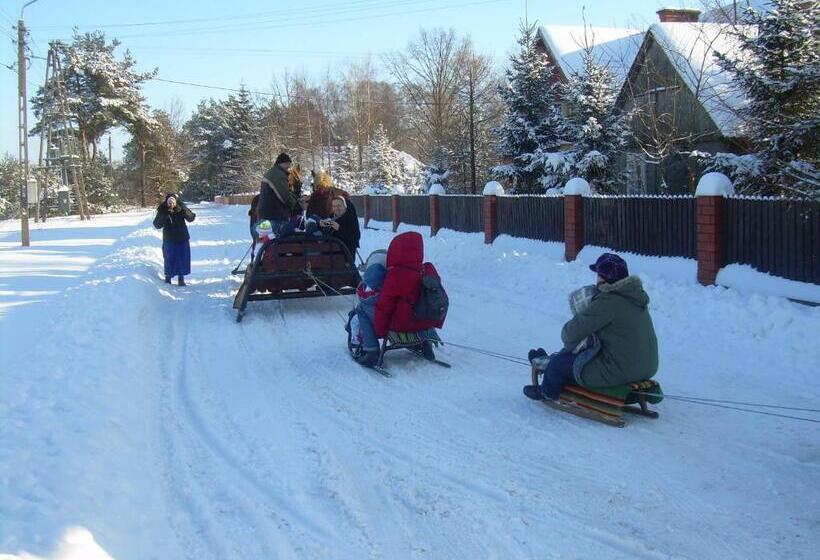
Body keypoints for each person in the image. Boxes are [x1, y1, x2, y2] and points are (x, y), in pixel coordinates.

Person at [523, 253, 658, 401]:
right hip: (647, 367)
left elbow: (570, 333)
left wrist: (568, 351)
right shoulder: (635, 297)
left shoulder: (608, 301)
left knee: (560, 364)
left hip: (619, 371)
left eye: (598, 275)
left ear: (603, 278)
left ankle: (547, 391)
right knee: (576, 355)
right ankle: (550, 363)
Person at [356, 231, 446, 367]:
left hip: (399, 325)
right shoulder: (428, 270)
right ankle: (425, 344)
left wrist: (381, 329)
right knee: (416, 305)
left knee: (362, 309)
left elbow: (384, 308)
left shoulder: (395, 276)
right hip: (424, 322)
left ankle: (371, 350)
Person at [153, 193, 196, 286]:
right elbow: (157, 225)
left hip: (182, 237)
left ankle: (181, 279)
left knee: (182, 258)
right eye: (169, 202)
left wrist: (183, 208)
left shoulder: (181, 208)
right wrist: (165, 214)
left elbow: (191, 218)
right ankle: (168, 277)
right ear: (166, 202)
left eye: (173, 201)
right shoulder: (162, 209)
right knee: (169, 258)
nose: (171, 204)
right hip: (169, 238)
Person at [256, 153, 301, 237]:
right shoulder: (278, 175)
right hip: (274, 216)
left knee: (266, 238)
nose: (289, 166)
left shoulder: (272, 172)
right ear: (281, 163)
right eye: (287, 164)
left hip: (265, 214)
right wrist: (296, 205)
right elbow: (285, 197)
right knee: (290, 231)